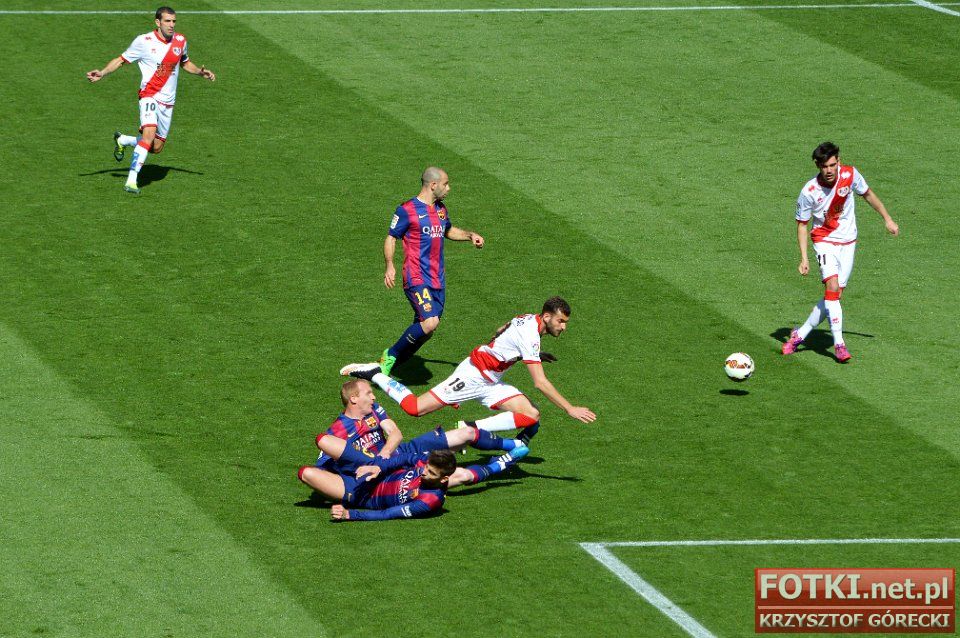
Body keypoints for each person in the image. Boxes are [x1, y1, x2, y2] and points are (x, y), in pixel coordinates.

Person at [341, 296, 596, 446]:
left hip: (492, 381)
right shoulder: (530, 334)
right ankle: (375, 373)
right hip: (472, 376)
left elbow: (501, 331)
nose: (563, 327)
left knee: (531, 414)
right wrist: (569, 408)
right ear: (547, 317)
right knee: (415, 408)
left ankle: (470, 427)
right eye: (561, 321)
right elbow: (540, 383)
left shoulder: (529, 319)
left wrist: (533, 354)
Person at [782, 142, 899, 362]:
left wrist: (888, 219)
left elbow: (868, 194)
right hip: (824, 240)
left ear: (838, 162)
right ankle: (839, 345)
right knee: (832, 287)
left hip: (848, 242)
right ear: (817, 166)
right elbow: (802, 225)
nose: (829, 170)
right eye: (824, 166)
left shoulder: (850, 175)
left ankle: (800, 335)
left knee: (833, 296)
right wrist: (804, 258)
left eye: (832, 165)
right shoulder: (809, 191)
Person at [86, 6, 216, 194]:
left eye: (174, 21)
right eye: (167, 21)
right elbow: (121, 59)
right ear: (158, 22)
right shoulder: (143, 41)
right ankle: (131, 181)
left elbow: (185, 62)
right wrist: (103, 72)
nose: (171, 25)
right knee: (148, 136)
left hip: (168, 103)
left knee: (156, 147)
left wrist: (199, 72)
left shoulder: (180, 40)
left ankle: (123, 140)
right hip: (149, 95)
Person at [314, 379, 528, 483]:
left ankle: (515, 444)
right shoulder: (338, 430)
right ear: (353, 399)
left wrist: (385, 453)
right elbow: (323, 465)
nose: (374, 397)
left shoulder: (374, 410)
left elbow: (395, 433)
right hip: (390, 471)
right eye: (368, 393)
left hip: (403, 451)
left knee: (467, 433)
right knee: (457, 475)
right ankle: (501, 463)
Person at [378, 167, 485, 375]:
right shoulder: (406, 210)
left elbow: (448, 230)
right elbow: (391, 237)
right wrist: (389, 265)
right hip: (416, 276)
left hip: (437, 279)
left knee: (426, 331)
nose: (449, 188)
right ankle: (389, 355)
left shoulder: (440, 209)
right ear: (433, 185)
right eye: (446, 184)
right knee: (430, 322)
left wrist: (470, 235)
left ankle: (390, 367)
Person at [298, 449, 457, 522]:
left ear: (444, 479)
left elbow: (388, 514)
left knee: (305, 473)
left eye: (431, 473)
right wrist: (379, 467)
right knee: (325, 441)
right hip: (371, 469)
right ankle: (329, 465)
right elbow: (402, 458)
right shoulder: (426, 462)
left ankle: (329, 468)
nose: (424, 472)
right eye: (426, 468)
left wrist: (350, 514)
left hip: (359, 494)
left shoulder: (429, 501)